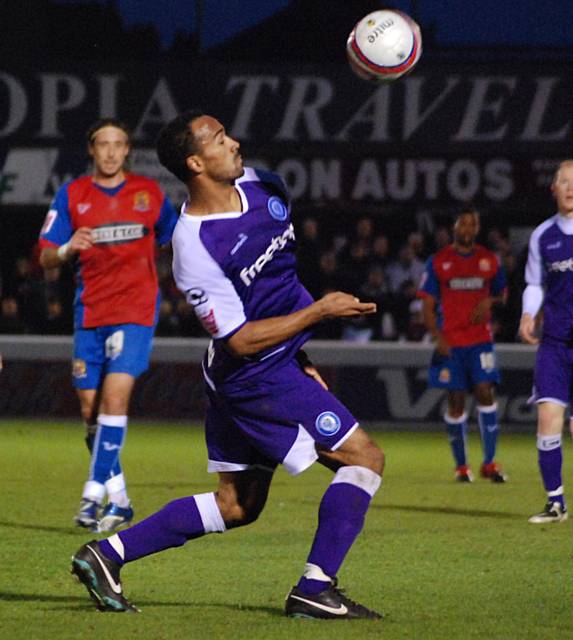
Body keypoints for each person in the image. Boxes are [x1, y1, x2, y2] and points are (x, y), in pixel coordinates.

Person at [71, 109, 384, 619]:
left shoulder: (265, 186)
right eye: (219, 139)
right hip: (255, 377)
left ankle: (105, 554)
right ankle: (315, 588)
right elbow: (239, 340)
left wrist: (301, 351)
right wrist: (320, 311)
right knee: (364, 458)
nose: (234, 142)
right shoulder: (193, 246)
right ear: (196, 161)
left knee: (238, 505)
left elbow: (278, 282)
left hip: (271, 365)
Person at [39, 118, 178, 533]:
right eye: (104, 144)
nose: (112, 151)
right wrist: (66, 248)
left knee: (114, 400)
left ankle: (92, 492)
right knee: (89, 413)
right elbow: (45, 256)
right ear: (92, 150)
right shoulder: (73, 195)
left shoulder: (149, 194)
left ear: (128, 149)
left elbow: (177, 238)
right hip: (89, 315)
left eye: (119, 144)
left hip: (135, 312)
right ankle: (120, 501)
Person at [417, 209, 508, 483]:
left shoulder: (489, 260)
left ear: (477, 228)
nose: (468, 228)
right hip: (452, 343)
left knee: (484, 392)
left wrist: (489, 302)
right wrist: (437, 336)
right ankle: (461, 467)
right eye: (463, 223)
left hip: (480, 341)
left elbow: (503, 293)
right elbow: (427, 305)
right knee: (456, 401)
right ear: (455, 226)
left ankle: (489, 463)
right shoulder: (439, 261)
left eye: (473, 223)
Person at [519, 159, 573, 524]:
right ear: (552, 188)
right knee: (548, 418)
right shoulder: (543, 236)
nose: (570, 186)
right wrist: (527, 314)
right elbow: (535, 283)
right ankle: (556, 502)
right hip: (554, 342)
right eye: (564, 181)